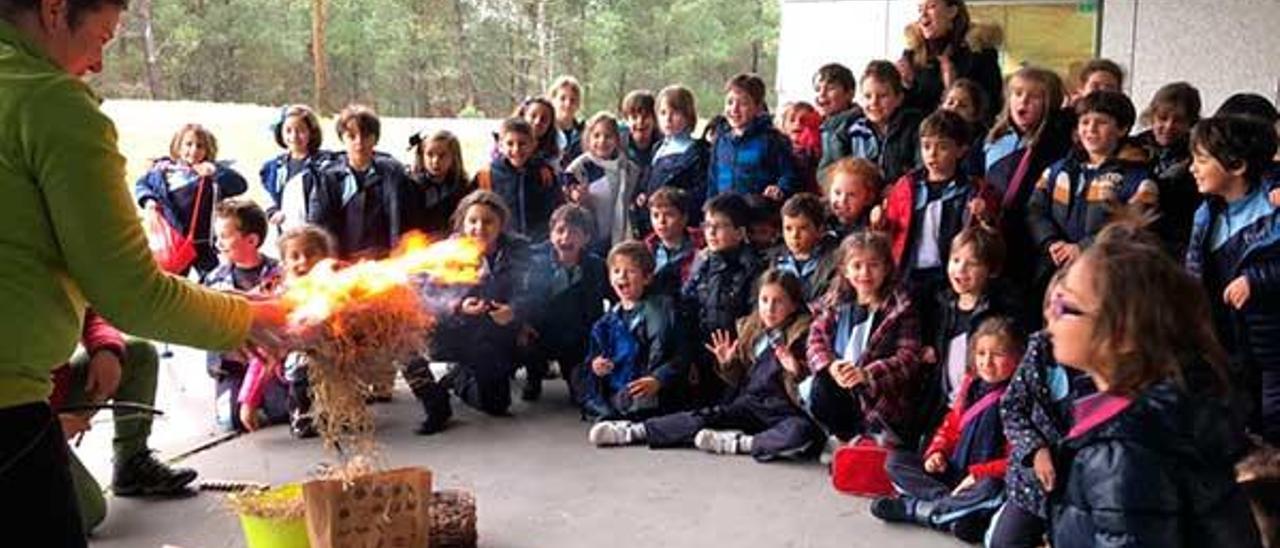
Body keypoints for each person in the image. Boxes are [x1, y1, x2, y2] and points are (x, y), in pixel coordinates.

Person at [0, 2, 285, 542]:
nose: (98, 63)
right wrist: (254, 319)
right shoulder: (47, 101)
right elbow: (131, 290)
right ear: (56, 9)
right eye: (102, 38)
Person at [1045, 225, 1260, 547]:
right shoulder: (1169, 413)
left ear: (1121, 336)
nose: (1050, 313)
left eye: (1065, 305)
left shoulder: (1121, 455)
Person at [590, 270, 821, 461]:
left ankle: (740, 443)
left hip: (784, 411)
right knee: (704, 416)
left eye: (778, 302)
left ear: (793, 305)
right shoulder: (752, 331)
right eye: (764, 300)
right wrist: (728, 363)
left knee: (801, 431)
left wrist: (796, 370)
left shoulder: (802, 335)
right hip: (750, 405)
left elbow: (809, 392)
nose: (769, 309)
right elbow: (740, 380)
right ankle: (634, 432)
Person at [870, 316, 1022, 543]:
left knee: (992, 489)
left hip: (980, 480)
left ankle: (918, 510)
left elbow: (1017, 459)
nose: (987, 362)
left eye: (998, 355)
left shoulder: (1020, 397)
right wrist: (937, 452)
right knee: (896, 462)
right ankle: (951, 507)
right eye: (981, 354)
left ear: (1018, 358)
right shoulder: (971, 385)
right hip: (953, 474)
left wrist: (979, 474)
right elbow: (951, 425)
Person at [1185, 115, 1280, 445]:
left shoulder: (1273, 206)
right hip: (1227, 340)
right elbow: (1194, 271)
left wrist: (1257, 280)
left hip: (1271, 345)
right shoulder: (1206, 212)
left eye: (1201, 160)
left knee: (1273, 422)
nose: (1192, 168)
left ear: (1237, 165)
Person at [52, 312, 190, 533]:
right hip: (14, 418)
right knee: (84, 515)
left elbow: (87, 312)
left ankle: (131, 466)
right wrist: (41, 426)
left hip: (46, 396)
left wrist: (104, 348)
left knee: (138, 354)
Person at [987, 270, 1095, 547]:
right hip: (1034, 481)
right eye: (1052, 305)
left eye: (1067, 309)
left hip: (1085, 490)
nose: (1054, 316)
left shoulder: (1105, 368)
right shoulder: (1040, 348)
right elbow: (1012, 406)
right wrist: (1035, 449)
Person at [415, 190, 532, 418]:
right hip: (455, 330)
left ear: (501, 224)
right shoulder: (447, 252)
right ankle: (447, 386)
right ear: (462, 223)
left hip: (495, 333)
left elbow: (531, 290)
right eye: (472, 221)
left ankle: (459, 377)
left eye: (488, 221)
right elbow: (427, 294)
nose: (479, 228)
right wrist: (457, 305)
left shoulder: (518, 250)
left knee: (496, 405)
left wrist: (514, 310)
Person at [1027, 90, 1158, 291]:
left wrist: (1082, 247)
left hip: (1108, 277)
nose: (1091, 129)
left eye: (1101, 122)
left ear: (1122, 129)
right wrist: (1050, 242)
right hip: (1054, 271)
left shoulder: (1138, 179)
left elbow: (1132, 224)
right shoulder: (1057, 170)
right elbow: (1035, 209)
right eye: (1085, 122)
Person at [804, 231, 925, 446]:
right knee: (820, 386)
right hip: (841, 387)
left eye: (873, 265)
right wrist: (831, 366)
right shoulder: (836, 302)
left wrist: (867, 375)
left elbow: (909, 357)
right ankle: (842, 438)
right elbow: (816, 339)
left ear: (887, 268)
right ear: (844, 270)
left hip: (880, 398)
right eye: (857, 266)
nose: (865, 273)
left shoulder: (900, 307)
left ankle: (866, 441)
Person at [875, 109, 997, 300]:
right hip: (909, 273)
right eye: (926, 146)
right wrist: (880, 222)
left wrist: (985, 215)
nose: (932, 154)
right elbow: (891, 231)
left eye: (943, 147)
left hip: (950, 275)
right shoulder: (906, 186)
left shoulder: (975, 190)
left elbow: (990, 234)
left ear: (961, 150)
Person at [982, 66, 1074, 305]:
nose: (1023, 101)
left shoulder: (1055, 142)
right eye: (1017, 93)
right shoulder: (995, 139)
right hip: (995, 232)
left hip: (1031, 238)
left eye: (1034, 97)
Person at [238, 224, 337, 439]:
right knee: (300, 361)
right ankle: (303, 415)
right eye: (295, 256)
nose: (303, 261)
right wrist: (249, 401)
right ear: (284, 264)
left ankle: (342, 411)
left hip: (337, 361)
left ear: (326, 257)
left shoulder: (340, 289)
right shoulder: (281, 300)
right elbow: (263, 356)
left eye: (311, 254)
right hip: (296, 364)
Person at [201, 198, 285, 432]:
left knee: (282, 410)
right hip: (233, 365)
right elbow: (208, 330)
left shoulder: (279, 274)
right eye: (217, 237)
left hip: (270, 364)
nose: (218, 244)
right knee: (230, 420)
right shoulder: (214, 280)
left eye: (225, 237)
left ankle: (269, 399)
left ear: (252, 240)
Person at [579, 241, 685, 421]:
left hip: (652, 388)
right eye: (616, 271)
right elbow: (594, 358)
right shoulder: (606, 322)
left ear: (647, 278)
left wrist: (658, 379)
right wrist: (597, 366)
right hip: (619, 390)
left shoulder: (663, 311)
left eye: (630, 271)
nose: (622, 277)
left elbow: (680, 355)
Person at [682, 193, 766, 404]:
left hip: (736, 355)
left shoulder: (753, 268)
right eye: (707, 225)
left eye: (719, 226)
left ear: (740, 232)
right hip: (703, 350)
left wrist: (735, 353)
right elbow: (688, 304)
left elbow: (754, 318)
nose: (710, 232)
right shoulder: (702, 263)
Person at [135, 123, 249, 276]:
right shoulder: (163, 171)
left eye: (200, 146)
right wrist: (149, 200)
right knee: (173, 282)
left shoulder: (212, 176)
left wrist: (214, 171)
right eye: (188, 144)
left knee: (213, 283)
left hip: (204, 243)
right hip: (173, 242)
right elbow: (142, 184)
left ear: (208, 150)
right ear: (178, 146)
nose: (194, 150)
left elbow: (240, 185)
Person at [521, 204, 609, 403]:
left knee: (581, 396)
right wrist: (524, 324)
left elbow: (615, 299)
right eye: (560, 231)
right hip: (541, 333)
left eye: (574, 233)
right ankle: (534, 375)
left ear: (586, 238)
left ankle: (574, 373)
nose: (566, 238)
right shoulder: (535, 265)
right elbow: (525, 299)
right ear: (551, 235)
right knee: (527, 345)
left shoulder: (597, 267)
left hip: (577, 338)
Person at [308, 104, 406, 260]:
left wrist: (391, 255)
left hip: (385, 262)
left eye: (366, 136)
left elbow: (400, 223)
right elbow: (319, 227)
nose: (359, 142)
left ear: (375, 139)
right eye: (352, 136)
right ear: (342, 138)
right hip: (342, 263)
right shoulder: (327, 178)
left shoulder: (393, 174)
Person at [898, 0, 1004, 120]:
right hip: (919, 135)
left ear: (952, 11)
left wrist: (953, 88)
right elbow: (904, 112)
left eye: (931, 7)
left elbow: (992, 107)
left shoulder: (980, 53)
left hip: (964, 135)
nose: (923, 15)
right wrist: (907, 85)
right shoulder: (911, 55)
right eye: (920, 9)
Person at [706, 73, 798, 202]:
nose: (734, 109)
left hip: (757, 212)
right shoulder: (721, 141)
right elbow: (712, 181)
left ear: (758, 107)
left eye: (743, 103)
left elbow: (788, 174)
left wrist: (780, 188)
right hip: (724, 213)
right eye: (730, 102)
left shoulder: (772, 140)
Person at [1134, 82, 1202, 256]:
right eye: (1162, 118)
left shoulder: (1198, 155)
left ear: (1191, 123)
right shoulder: (1133, 147)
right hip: (1133, 237)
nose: (1169, 126)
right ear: (1152, 117)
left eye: (1178, 121)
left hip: (1174, 241)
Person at [564, 112, 643, 255]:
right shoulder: (578, 169)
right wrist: (579, 200)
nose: (602, 141)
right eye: (596, 136)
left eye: (608, 136)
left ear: (617, 140)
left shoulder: (629, 169)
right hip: (590, 238)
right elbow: (567, 207)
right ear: (588, 138)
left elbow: (634, 199)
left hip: (621, 235)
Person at [473, 117, 561, 242]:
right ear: (500, 145)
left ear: (533, 144)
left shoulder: (545, 173)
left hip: (540, 244)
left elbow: (558, 207)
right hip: (502, 245)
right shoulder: (485, 175)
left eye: (522, 144)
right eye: (510, 144)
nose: (516, 149)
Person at [642, 85, 709, 226]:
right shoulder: (657, 148)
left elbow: (701, 192)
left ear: (688, 115)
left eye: (675, 113)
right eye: (663, 113)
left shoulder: (698, 150)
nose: (668, 119)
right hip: (654, 223)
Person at [848, 60, 923, 184]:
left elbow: (921, 169)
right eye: (867, 96)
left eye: (882, 96)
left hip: (903, 194)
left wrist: (897, 189)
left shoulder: (914, 127)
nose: (873, 103)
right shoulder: (854, 130)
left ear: (899, 98)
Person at [259, 104, 331, 233]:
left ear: (312, 132)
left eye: (301, 131)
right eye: (288, 130)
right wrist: (272, 212)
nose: (294, 136)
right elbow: (268, 196)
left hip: (316, 234)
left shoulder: (325, 163)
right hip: (285, 234)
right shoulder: (274, 167)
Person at [769, 193, 840, 303]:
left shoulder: (832, 261)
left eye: (802, 228)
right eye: (788, 228)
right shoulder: (775, 261)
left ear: (820, 230)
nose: (794, 236)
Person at [403, 129, 470, 239]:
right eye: (430, 155)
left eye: (442, 155)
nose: (435, 161)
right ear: (422, 156)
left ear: (454, 157)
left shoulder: (462, 187)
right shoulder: (410, 186)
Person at [643, 187, 705, 298]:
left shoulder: (702, 244)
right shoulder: (645, 249)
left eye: (669, 215)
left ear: (684, 218)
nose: (661, 221)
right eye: (655, 215)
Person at [813, 63, 862, 179]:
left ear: (850, 94)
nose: (822, 94)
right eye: (818, 89)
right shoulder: (819, 124)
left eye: (830, 88)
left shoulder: (855, 126)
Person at [824, 157, 882, 239]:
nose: (842, 200)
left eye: (851, 195)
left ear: (868, 198)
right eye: (837, 193)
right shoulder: (821, 218)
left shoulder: (870, 224)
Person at [780, 100, 822, 194]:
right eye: (792, 120)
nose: (798, 123)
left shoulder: (816, 149)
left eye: (804, 120)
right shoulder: (778, 149)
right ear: (783, 126)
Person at [513, 96, 562, 168]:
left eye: (544, 119)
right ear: (523, 116)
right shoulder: (506, 144)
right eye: (533, 116)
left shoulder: (552, 156)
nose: (537, 122)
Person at [550, 75, 586, 171]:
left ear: (578, 104)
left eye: (573, 100)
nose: (568, 104)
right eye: (562, 98)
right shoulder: (545, 131)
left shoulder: (585, 132)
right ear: (553, 100)